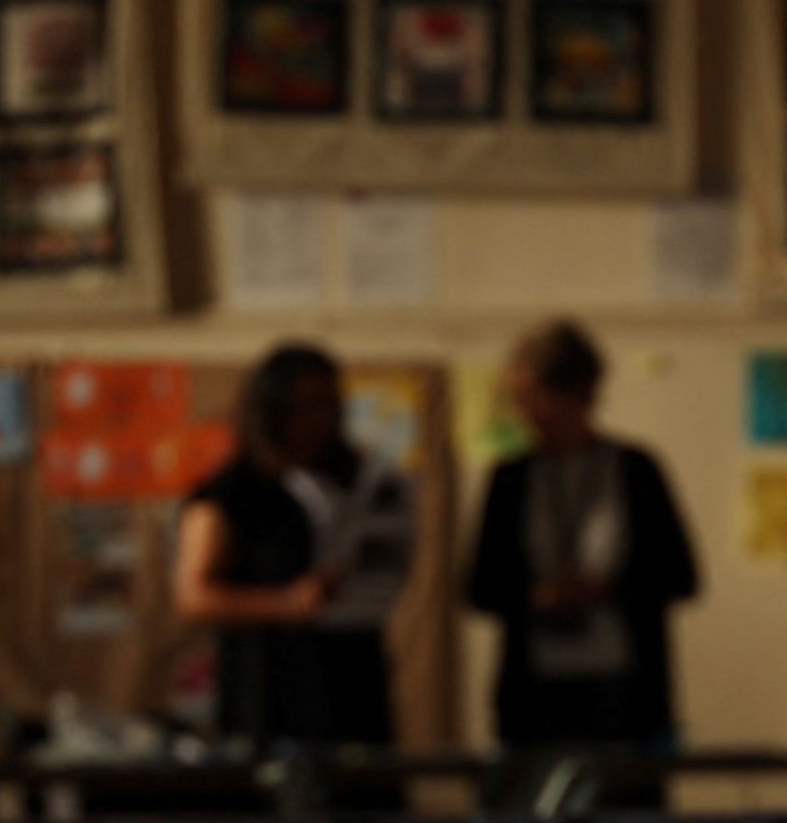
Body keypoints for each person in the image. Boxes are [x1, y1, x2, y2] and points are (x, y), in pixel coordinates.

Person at [465, 320, 700, 753]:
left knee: (626, 810)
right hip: (534, 694)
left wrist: (606, 590)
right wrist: (538, 596)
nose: (526, 413)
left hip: (625, 692)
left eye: (534, 398)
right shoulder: (511, 479)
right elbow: (480, 586)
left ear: (579, 393)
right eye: (519, 400)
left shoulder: (635, 470)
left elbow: (681, 576)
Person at [174, 343, 411, 750]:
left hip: (350, 678)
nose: (323, 419)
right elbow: (194, 595)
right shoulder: (234, 492)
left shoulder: (346, 477)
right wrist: (285, 602)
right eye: (308, 406)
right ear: (273, 408)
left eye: (331, 404)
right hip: (270, 690)